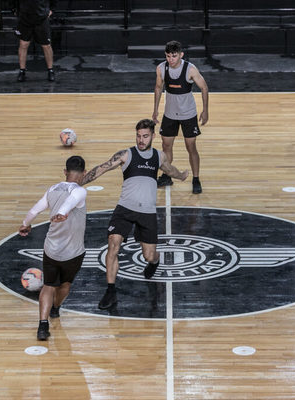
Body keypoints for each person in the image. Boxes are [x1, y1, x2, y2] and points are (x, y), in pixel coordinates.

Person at [80, 119, 188, 309]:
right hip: (125, 209)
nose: (141, 140)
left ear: (153, 136)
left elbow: (170, 170)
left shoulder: (159, 156)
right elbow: (103, 168)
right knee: (113, 245)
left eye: (145, 136)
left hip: (146, 212)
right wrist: (78, 183)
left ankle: (154, 262)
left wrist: (181, 176)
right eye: (138, 136)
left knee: (149, 255)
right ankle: (110, 291)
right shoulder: (126, 154)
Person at [18, 156, 88, 340]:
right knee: (65, 284)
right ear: (84, 173)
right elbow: (71, 202)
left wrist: (25, 224)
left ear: (65, 172)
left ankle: (42, 326)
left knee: (49, 285)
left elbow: (34, 211)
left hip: (52, 249)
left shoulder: (52, 189)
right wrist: (62, 213)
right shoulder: (81, 192)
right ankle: (55, 309)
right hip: (73, 252)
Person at [152, 40, 208, 194]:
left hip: (188, 114)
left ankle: (196, 179)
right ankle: (167, 175)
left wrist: (205, 110)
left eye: (174, 56)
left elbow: (204, 87)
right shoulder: (161, 68)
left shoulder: (190, 69)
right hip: (170, 114)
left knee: (191, 147)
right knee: (166, 146)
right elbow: (158, 88)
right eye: (168, 56)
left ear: (181, 55)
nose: (171, 59)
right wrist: (155, 110)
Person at [15, 0, 57, 82]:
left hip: (41, 17)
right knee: (23, 44)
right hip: (25, 17)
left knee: (46, 45)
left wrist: (51, 10)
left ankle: (50, 70)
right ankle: (22, 71)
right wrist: (15, 10)